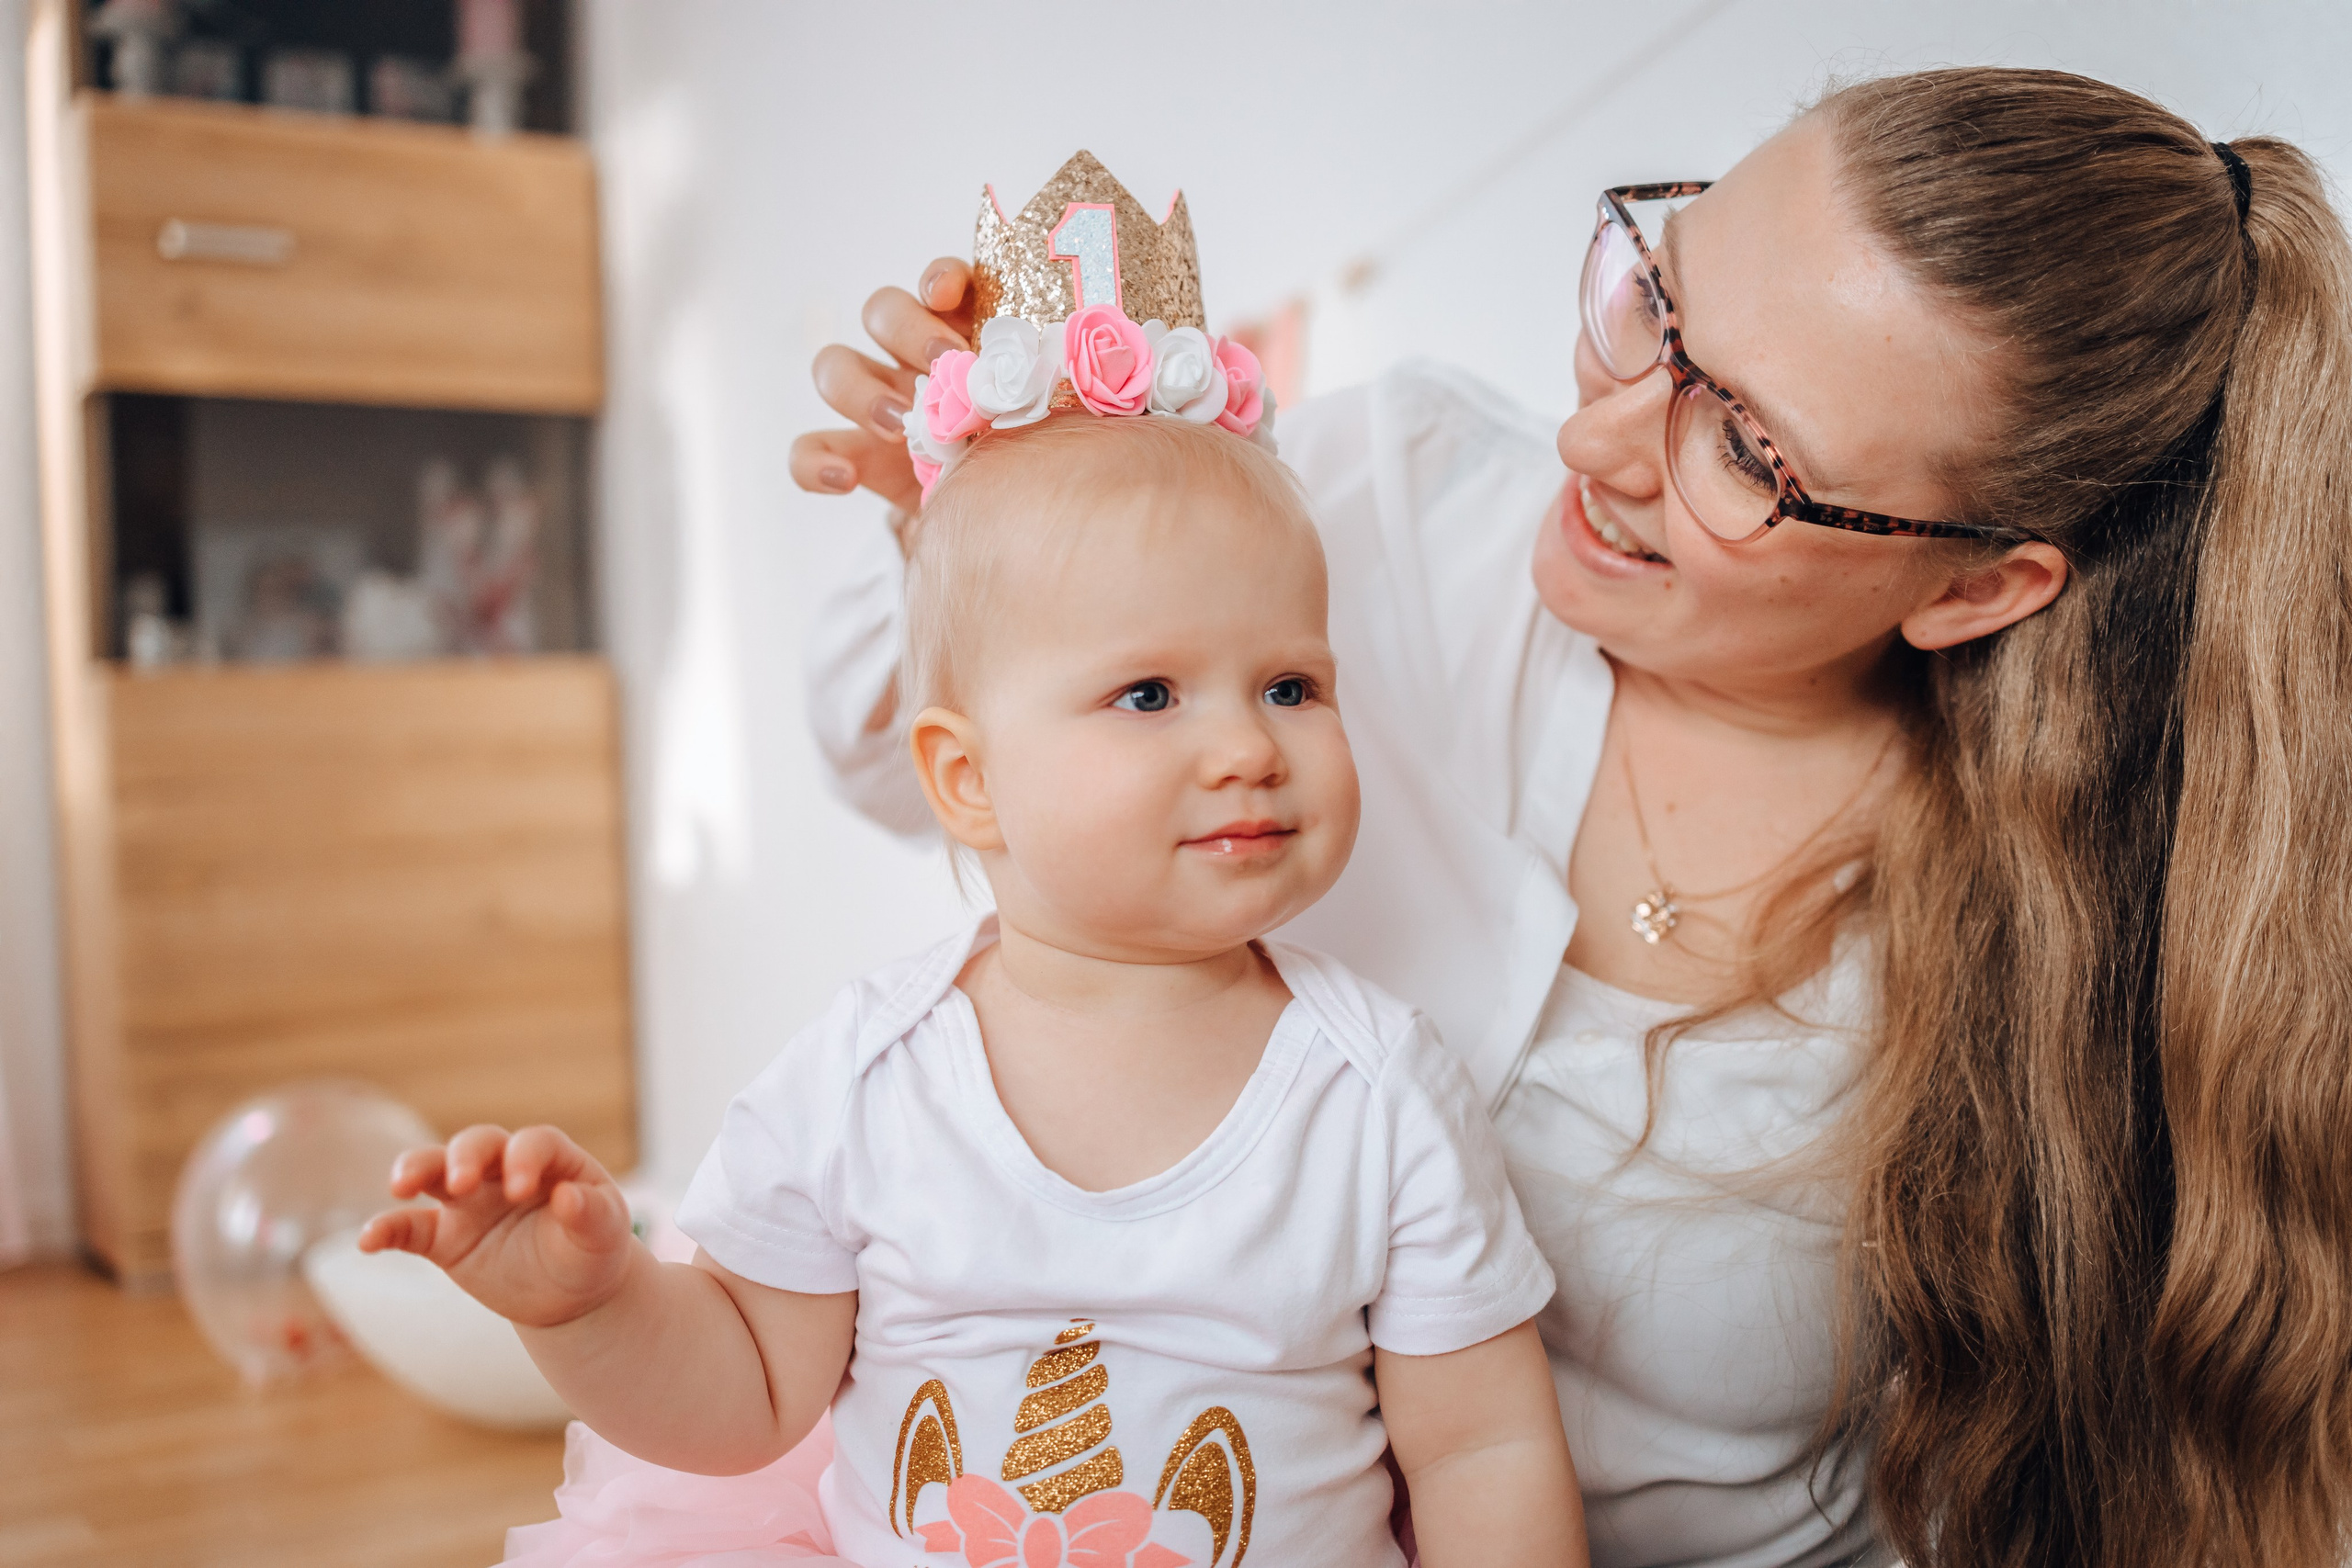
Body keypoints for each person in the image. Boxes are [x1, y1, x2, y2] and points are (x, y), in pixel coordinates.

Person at [790, 68, 2352, 1568]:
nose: (1594, 441)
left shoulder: (2063, 938)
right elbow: (909, 767)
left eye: (1746, 449)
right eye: (1654, 305)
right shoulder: (1394, 490)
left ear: (1976, 587)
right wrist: (960, 528)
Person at [366, 407, 1589, 1568]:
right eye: (1150, 695)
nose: (1250, 748)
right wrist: (588, 1309)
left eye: (1292, 687)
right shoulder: (869, 1077)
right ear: (967, 779)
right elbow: (747, 1398)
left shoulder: (1378, 1089)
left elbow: (1480, 1448)